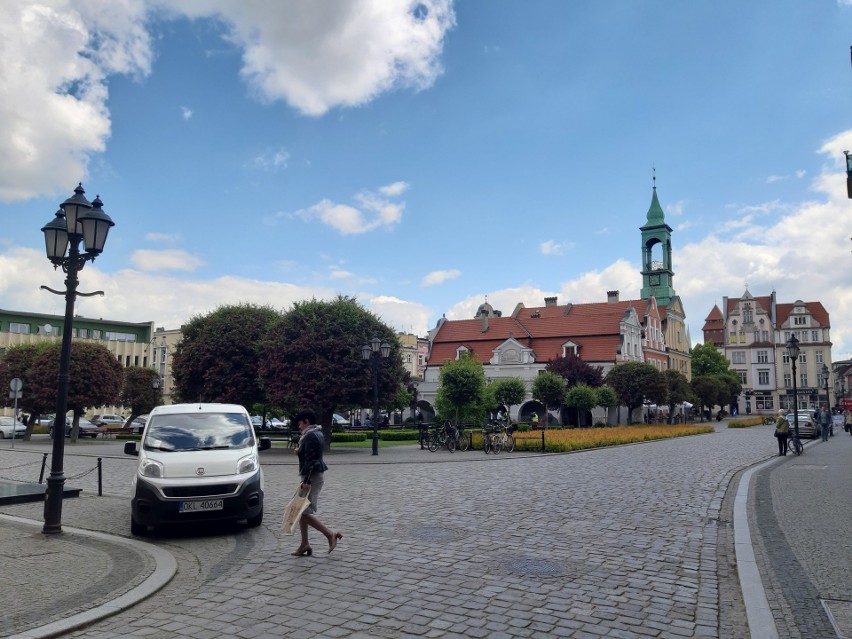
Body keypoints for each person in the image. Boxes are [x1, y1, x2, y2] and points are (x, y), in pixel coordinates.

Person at [291, 409, 342, 557]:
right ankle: (304, 544)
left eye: (300, 423)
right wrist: (300, 452)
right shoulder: (315, 433)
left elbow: (311, 461)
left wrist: (306, 481)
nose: (298, 426)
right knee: (301, 510)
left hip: (311, 477)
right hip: (313, 476)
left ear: (306, 421)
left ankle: (329, 534)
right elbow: (310, 455)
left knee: (301, 511)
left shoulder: (311, 436)